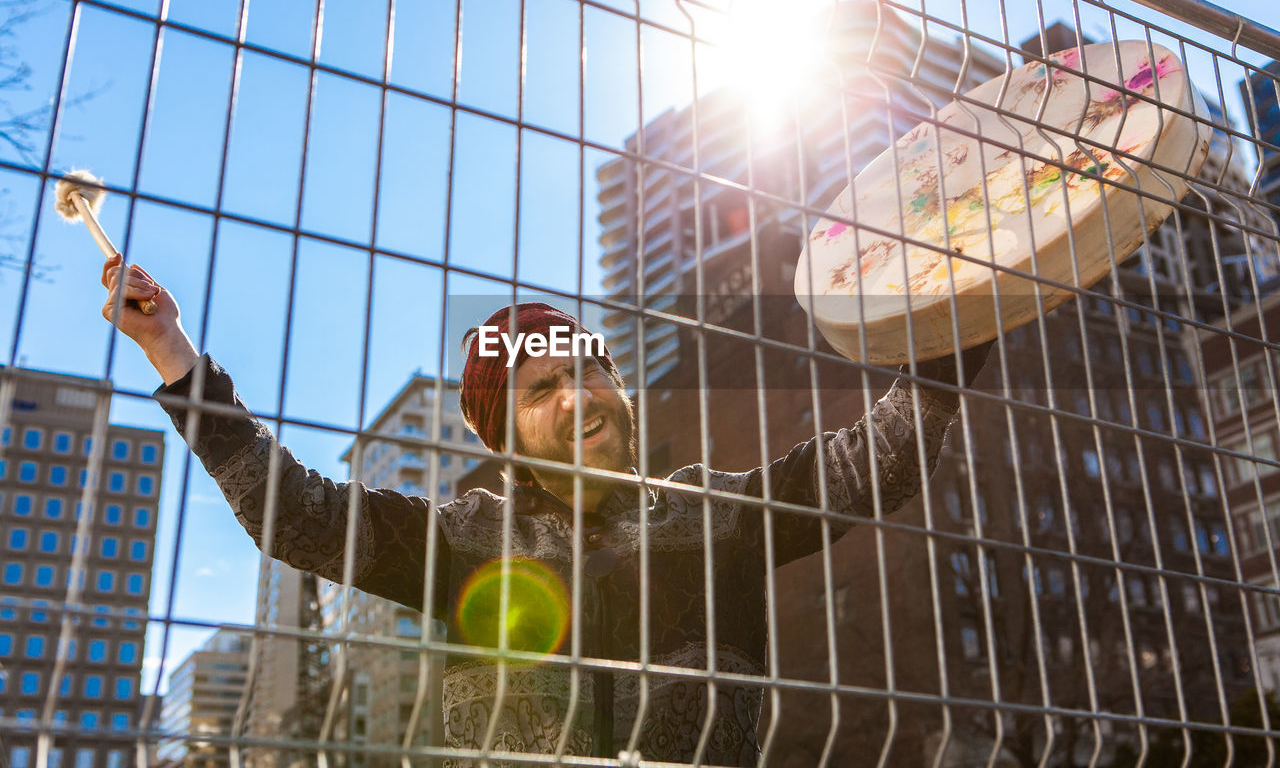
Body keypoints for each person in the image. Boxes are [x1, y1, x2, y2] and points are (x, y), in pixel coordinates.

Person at [100, 254, 990, 766]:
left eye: (587, 368)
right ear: (504, 437)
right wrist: (173, 352)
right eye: (540, 388)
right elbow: (293, 514)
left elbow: (876, 459)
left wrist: (977, 302)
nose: (576, 396)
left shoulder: (720, 514)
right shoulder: (460, 540)